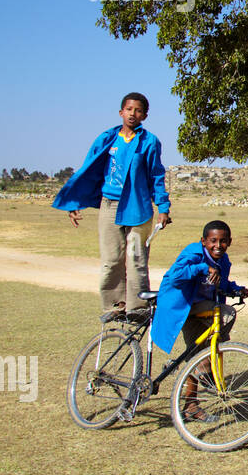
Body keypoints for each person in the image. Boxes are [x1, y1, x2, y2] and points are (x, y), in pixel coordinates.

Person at [52, 92, 171, 316]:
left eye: (138, 110)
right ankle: (115, 306)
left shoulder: (150, 142)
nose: (132, 114)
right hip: (110, 207)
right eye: (129, 109)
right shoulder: (107, 139)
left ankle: (138, 308)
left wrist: (163, 208)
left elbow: (157, 176)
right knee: (111, 261)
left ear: (144, 115)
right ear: (121, 112)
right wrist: (74, 202)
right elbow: (87, 170)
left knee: (136, 259)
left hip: (139, 208)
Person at [150, 220, 248, 422]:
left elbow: (219, 284)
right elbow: (176, 277)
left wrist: (235, 289)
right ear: (203, 241)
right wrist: (202, 268)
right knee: (226, 314)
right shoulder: (194, 253)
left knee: (197, 355)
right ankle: (202, 367)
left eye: (223, 241)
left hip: (203, 308)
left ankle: (191, 406)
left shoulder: (224, 260)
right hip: (184, 306)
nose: (218, 245)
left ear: (229, 242)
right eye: (213, 241)